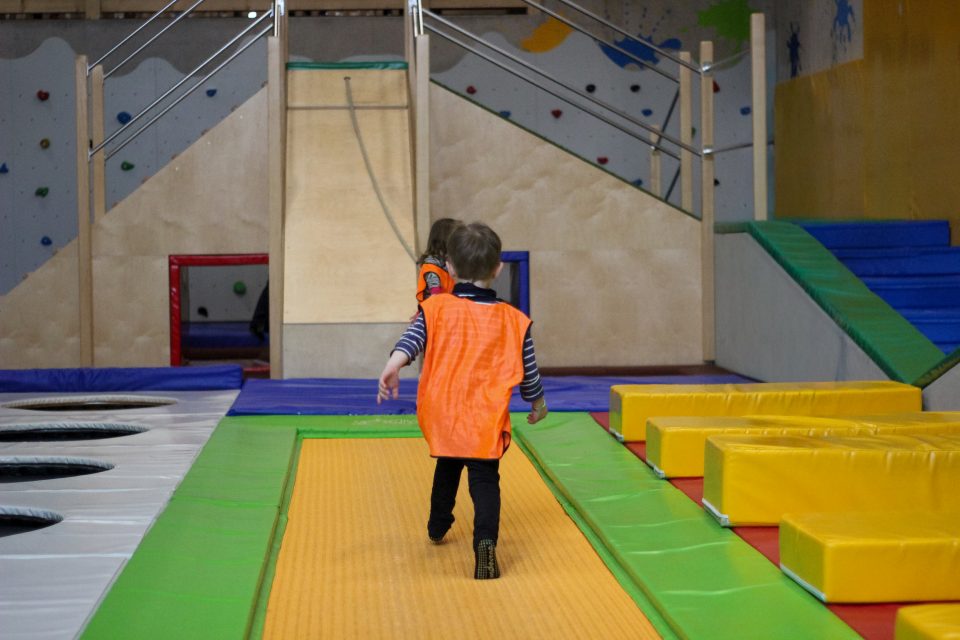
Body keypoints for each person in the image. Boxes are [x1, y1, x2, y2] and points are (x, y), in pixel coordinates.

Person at [378, 222, 548, 580]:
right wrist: (537, 403)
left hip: (444, 412)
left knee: (448, 464)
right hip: (484, 417)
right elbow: (528, 369)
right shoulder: (513, 320)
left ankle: (437, 526)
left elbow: (412, 339)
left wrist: (393, 365)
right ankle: (485, 545)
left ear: (450, 268)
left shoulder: (437, 308)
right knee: (484, 480)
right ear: (498, 267)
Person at [416, 218, 462, 303]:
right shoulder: (431, 267)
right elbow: (435, 295)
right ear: (445, 241)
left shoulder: (444, 264)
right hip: (433, 312)